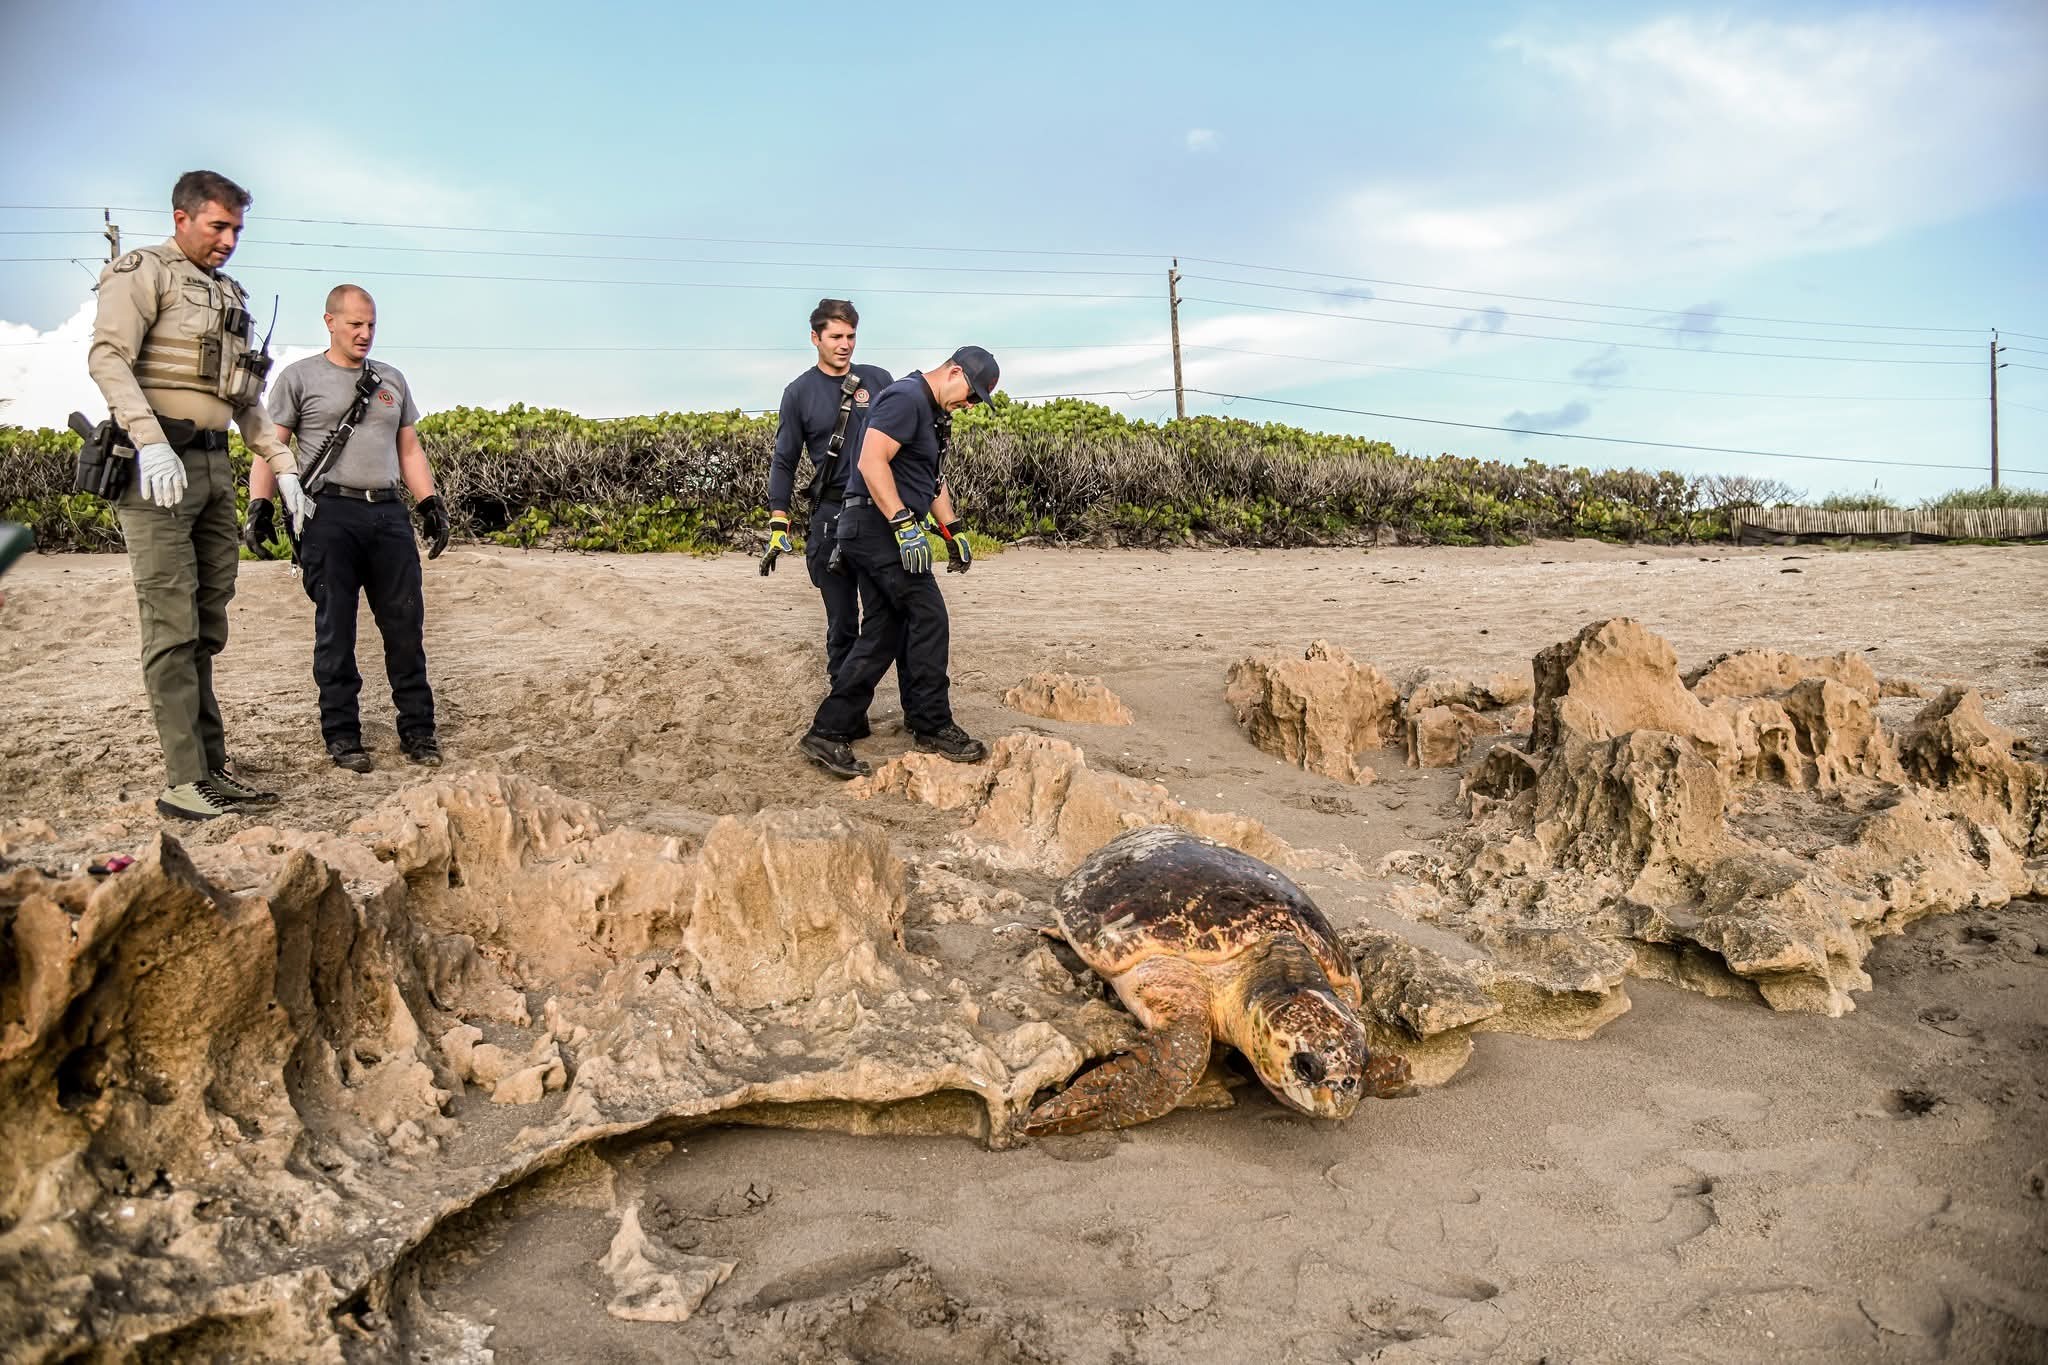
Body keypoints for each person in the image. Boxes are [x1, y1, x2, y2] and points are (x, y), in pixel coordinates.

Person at [87, 169, 314, 821]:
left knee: (207, 622)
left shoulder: (229, 293)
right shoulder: (144, 271)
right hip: (157, 467)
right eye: (218, 226)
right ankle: (183, 778)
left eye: (237, 229)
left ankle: (211, 769)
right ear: (182, 217)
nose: (229, 240)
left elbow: (243, 397)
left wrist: (283, 463)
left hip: (215, 470)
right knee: (170, 622)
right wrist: (149, 438)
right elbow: (107, 357)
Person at [252, 284, 449, 773]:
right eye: (355, 324)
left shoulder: (391, 380)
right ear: (330, 322)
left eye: (372, 325)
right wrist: (258, 504)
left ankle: (419, 731)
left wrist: (429, 503)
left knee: (405, 626)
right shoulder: (299, 378)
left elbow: (408, 450)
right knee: (335, 629)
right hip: (328, 516)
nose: (364, 334)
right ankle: (342, 735)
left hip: (387, 513)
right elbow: (269, 447)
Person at [798, 346, 998, 778]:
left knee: (886, 629)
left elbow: (931, 480)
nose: (971, 404)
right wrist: (904, 524)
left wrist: (954, 529)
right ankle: (932, 723)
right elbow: (871, 462)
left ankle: (831, 729)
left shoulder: (932, 414)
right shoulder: (906, 398)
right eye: (972, 393)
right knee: (929, 616)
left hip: (880, 526)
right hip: (875, 527)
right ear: (954, 372)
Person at [761, 299, 902, 722]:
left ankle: (889, 705)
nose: (845, 345)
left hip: (878, 514)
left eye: (851, 336)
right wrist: (778, 520)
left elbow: (906, 446)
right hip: (830, 518)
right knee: (842, 623)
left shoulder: (878, 381)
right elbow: (784, 460)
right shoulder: (799, 392)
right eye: (836, 337)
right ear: (815, 339)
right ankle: (848, 718)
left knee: (889, 617)